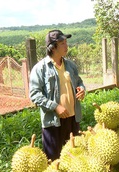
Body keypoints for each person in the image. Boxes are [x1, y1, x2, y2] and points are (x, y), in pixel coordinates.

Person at [29, 30, 86, 161]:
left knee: (74, 157)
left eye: (66, 42)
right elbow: (34, 94)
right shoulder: (40, 68)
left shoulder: (70, 65)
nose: (66, 46)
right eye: (62, 43)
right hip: (53, 122)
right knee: (54, 159)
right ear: (52, 47)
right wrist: (55, 107)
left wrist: (82, 89)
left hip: (73, 118)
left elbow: (79, 82)